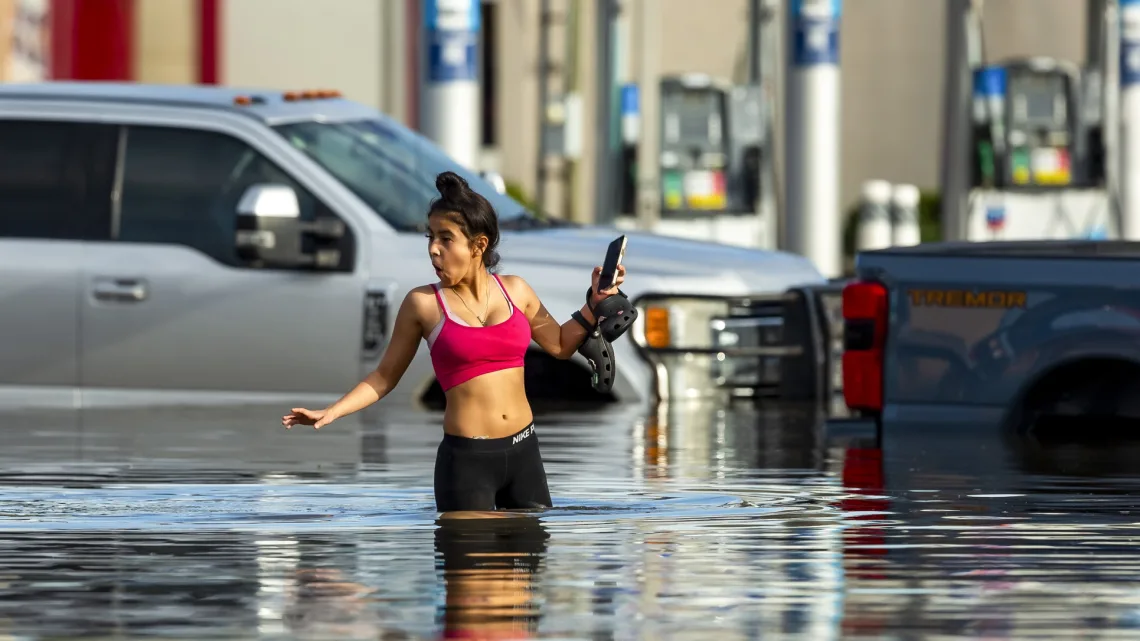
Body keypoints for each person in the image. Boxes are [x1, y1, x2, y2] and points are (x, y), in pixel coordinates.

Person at [282, 171, 626, 512]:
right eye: (430, 237)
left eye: (445, 239)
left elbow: (562, 344)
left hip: (525, 454)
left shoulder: (517, 291)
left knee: (528, 564)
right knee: (470, 562)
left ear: (478, 245)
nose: (433, 249)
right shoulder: (424, 304)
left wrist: (594, 303)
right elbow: (384, 377)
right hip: (467, 463)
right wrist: (331, 412)